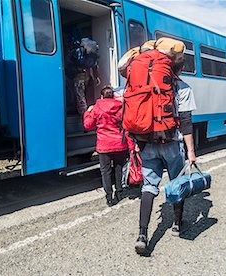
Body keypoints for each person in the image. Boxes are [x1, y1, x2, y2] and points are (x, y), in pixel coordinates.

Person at [135, 61, 197, 254]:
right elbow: (186, 123)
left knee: (148, 186)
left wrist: (137, 142)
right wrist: (191, 152)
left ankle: (142, 234)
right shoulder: (183, 88)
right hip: (171, 143)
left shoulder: (144, 85)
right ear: (181, 68)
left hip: (148, 143)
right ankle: (177, 225)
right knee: (177, 183)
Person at [83, 86, 135, 206]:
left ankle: (109, 197)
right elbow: (127, 128)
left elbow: (88, 125)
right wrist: (131, 146)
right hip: (119, 144)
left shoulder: (97, 108)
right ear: (113, 95)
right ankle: (119, 192)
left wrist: (88, 112)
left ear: (102, 96)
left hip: (104, 145)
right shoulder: (121, 108)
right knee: (118, 169)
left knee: (105, 171)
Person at [71, 37, 101, 115]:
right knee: (88, 94)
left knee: (80, 95)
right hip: (88, 74)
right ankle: (91, 113)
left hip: (79, 75)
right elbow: (95, 65)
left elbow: (71, 62)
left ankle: (84, 114)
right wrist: (96, 76)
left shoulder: (77, 51)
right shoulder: (92, 53)